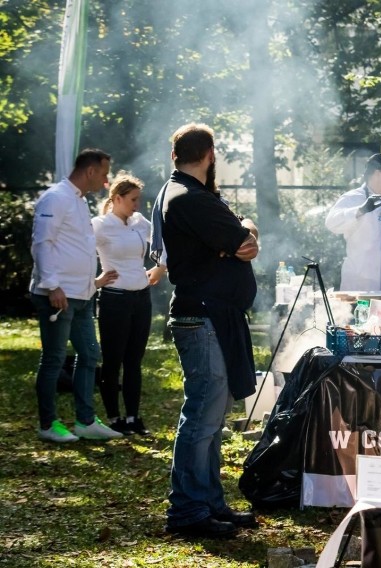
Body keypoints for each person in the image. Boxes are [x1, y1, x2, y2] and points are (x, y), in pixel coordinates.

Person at [159, 123, 259, 539]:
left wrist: (238, 237)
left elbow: (240, 242)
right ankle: (186, 509)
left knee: (212, 417)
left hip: (211, 315)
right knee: (201, 415)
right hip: (202, 317)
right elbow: (246, 241)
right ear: (210, 154)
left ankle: (209, 501)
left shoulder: (188, 194)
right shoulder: (189, 197)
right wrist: (243, 232)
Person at [30, 148, 123, 442]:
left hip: (82, 295)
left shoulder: (80, 202)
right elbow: (42, 242)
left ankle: (85, 421)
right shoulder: (56, 197)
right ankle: (48, 425)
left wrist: (91, 284)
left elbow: (76, 249)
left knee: (89, 354)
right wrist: (52, 285)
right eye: (105, 173)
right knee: (54, 359)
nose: (107, 181)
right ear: (91, 170)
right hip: (58, 295)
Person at [92, 173, 166, 436]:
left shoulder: (139, 222)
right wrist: (96, 282)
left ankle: (134, 417)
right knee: (113, 361)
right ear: (117, 199)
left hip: (141, 298)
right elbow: (76, 253)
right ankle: (114, 419)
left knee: (134, 361)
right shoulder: (99, 225)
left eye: (139, 199)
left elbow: (163, 242)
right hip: (114, 300)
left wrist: (160, 268)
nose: (137, 204)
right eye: (133, 199)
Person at [324, 153, 381, 291]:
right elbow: (331, 223)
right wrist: (360, 210)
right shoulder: (353, 197)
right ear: (378, 174)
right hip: (362, 277)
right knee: (362, 312)